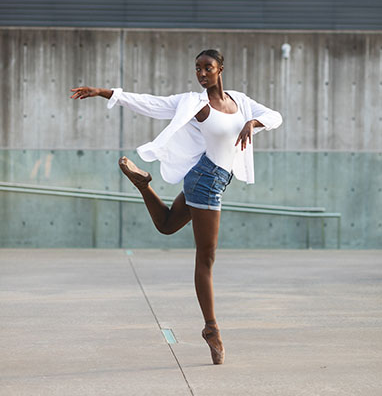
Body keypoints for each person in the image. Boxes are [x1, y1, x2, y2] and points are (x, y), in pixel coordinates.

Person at [70, 49, 282, 365]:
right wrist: (104, 93)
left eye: (207, 67)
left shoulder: (240, 100)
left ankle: (144, 185)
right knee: (206, 258)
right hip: (205, 181)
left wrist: (253, 121)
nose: (201, 74)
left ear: (220, 68)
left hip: (215, 180)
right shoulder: (194, 103)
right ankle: (211, 328)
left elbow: (275, 117)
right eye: (197, 69)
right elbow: (152, 103)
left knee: (167, 225)